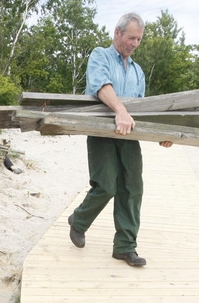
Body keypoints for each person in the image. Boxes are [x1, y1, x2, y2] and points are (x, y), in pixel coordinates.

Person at [67, 12, 173, 267]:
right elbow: (101, 86)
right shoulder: (100, 55)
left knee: (132, 188)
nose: (135, 43)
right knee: (106, 186)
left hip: (128, 136)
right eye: (131, 37)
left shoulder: (138, 71)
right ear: (117, 33)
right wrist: (120, 111)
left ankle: (125, 247)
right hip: (102, 133)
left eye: (139, 39)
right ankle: (78, 221)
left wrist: (162, 134)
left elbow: (143, 110)